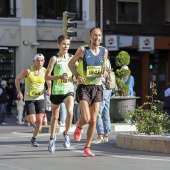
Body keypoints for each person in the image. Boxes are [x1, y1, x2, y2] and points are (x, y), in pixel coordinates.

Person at [68, 27, 108, 157]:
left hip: (97, 87)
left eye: (99, 35)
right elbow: (71, 63)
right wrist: (77, 76)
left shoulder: (104, 51)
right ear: (90, 37)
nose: (97, 38)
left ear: (101, 37)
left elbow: (103, 67)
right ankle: (79, 126)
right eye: (95, 35)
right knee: (86, 118)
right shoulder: (82, 50)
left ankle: (87, 147)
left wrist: (105, 71)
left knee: (94, 120)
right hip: (84, 87)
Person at [45, 35, 74, 153]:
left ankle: (66, 134)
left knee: (70, 113)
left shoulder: (72, 58)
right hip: (57, 91)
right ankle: (52, 139)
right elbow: (46, 76)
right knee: (55, 117)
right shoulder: (54, 59)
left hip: (68, 90)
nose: (66, 46)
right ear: (58, 45)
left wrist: (77, 77)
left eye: (67, 44)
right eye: (63, 44)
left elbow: (76, 72)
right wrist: (59, 77)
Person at [15, 53, 51, 147]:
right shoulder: (27, 71)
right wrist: (19, 91)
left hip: (40, 98)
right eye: (38, 60)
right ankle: (27, 117)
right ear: (34, 61)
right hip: (29, 98)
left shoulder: (45, 71)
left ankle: (34, 139)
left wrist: (49, 89)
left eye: (41, 60)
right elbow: (17, 79)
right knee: (32, 121)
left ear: (44, 62)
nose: (40, 62)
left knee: (39, 121)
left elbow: (49, 81)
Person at [92, 59, 112, 144]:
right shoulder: (107, 61)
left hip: (101, 88)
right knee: (106, 112)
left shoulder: (100, 61)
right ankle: (106, 135)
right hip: (108, 88)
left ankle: (100, 135)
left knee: (98, 113)